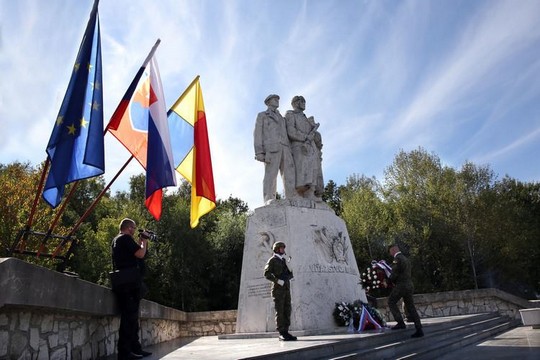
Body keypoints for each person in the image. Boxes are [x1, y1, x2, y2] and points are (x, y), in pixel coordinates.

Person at [111, 218, 153, 359]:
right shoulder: (125, 239)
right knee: (129, 319)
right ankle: (124, 352)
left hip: (127, 283)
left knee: (133, 319)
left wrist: (142, 241)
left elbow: (139, 254)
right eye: (134, 228)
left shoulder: (118, 240)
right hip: (128, 284)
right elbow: (140, 254)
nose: (135, 231)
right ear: (129, 228)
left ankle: (136, 348)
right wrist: (144, 240)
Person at [254, 94, 296, 204]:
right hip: (271, 149)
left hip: (285, 149)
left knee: (289, 175)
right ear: (268, 102)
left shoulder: (282, 118)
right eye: (275, 99)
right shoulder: (262, 115)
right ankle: (269, 198)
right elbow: (258, 134)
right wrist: (259, 152)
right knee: (270, 175)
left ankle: (291, 197)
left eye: (278, 99)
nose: (277, 101)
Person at [285, 95, 322, 201]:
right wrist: (305, 137)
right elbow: (291, 131)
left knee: (314, 169)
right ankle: (301, 193)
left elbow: (315, 134)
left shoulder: (306, 118)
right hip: (299, 146)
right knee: (302, 171)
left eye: (304, 102)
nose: (304, 103)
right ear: (296, 103)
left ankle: (311, 192)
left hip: (311, 146)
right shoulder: (290, 114)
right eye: (302, 101)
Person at [387, 244, 424, 338]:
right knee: (411, 307)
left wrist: (387, 281)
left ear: (393, 250)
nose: (390, 253)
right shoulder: (406, 259)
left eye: (390, 251)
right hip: (409, 285)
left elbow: (394, 273)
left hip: (402, 285)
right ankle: (419, 329)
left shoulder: (397, 259)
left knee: (391, 301)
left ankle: (400, 322)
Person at [264, 241, 297, 341]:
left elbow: (290, 273)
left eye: (283, 248)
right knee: (280, 311)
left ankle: (286, 331)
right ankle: (281, 332)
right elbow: (267, 273)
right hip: (278, 290)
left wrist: (290, 273)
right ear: (277, 249)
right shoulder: (272, 260)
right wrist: (277, 280)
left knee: (287, 310)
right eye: (282, 248)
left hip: (286, 289)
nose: (283, 250)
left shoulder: (283, 261)